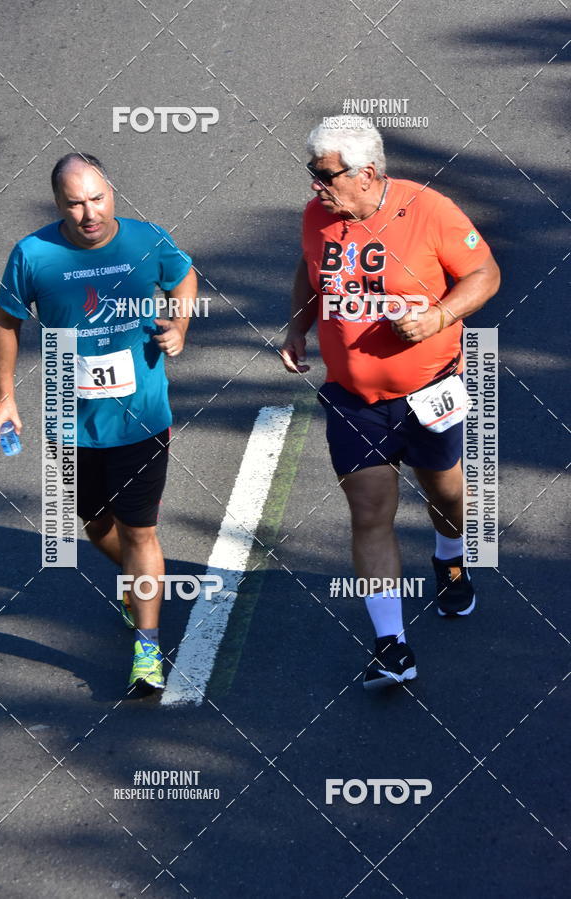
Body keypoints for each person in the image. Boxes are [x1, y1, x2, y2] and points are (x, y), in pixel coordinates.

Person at [281, 118, 500, 689]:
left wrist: (437, 316)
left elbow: (485, 273)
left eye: (324, 175)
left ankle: (450, 557)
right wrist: (297, 327)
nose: (315, 186)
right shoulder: (318, 218)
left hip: (430, 393)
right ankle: (391, 646)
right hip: (354, 401)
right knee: (370, 512)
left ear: (367, 174)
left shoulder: (430, 211)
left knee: (446, 492)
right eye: (312, 174)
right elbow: (309, 268)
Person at [0, 152, 197, 693]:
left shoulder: (145, 240)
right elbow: (6, 322)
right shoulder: (33, 254)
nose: (89, 213)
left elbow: (183, 275)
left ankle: (147, 651)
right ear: (58, 204)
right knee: (94, 524)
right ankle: (137, 581)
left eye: (97, 198)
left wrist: (178, 323)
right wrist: (3, 396)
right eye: (75, 203)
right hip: (66, 418)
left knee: (139, 529)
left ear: (111, 193)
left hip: (141, 419)